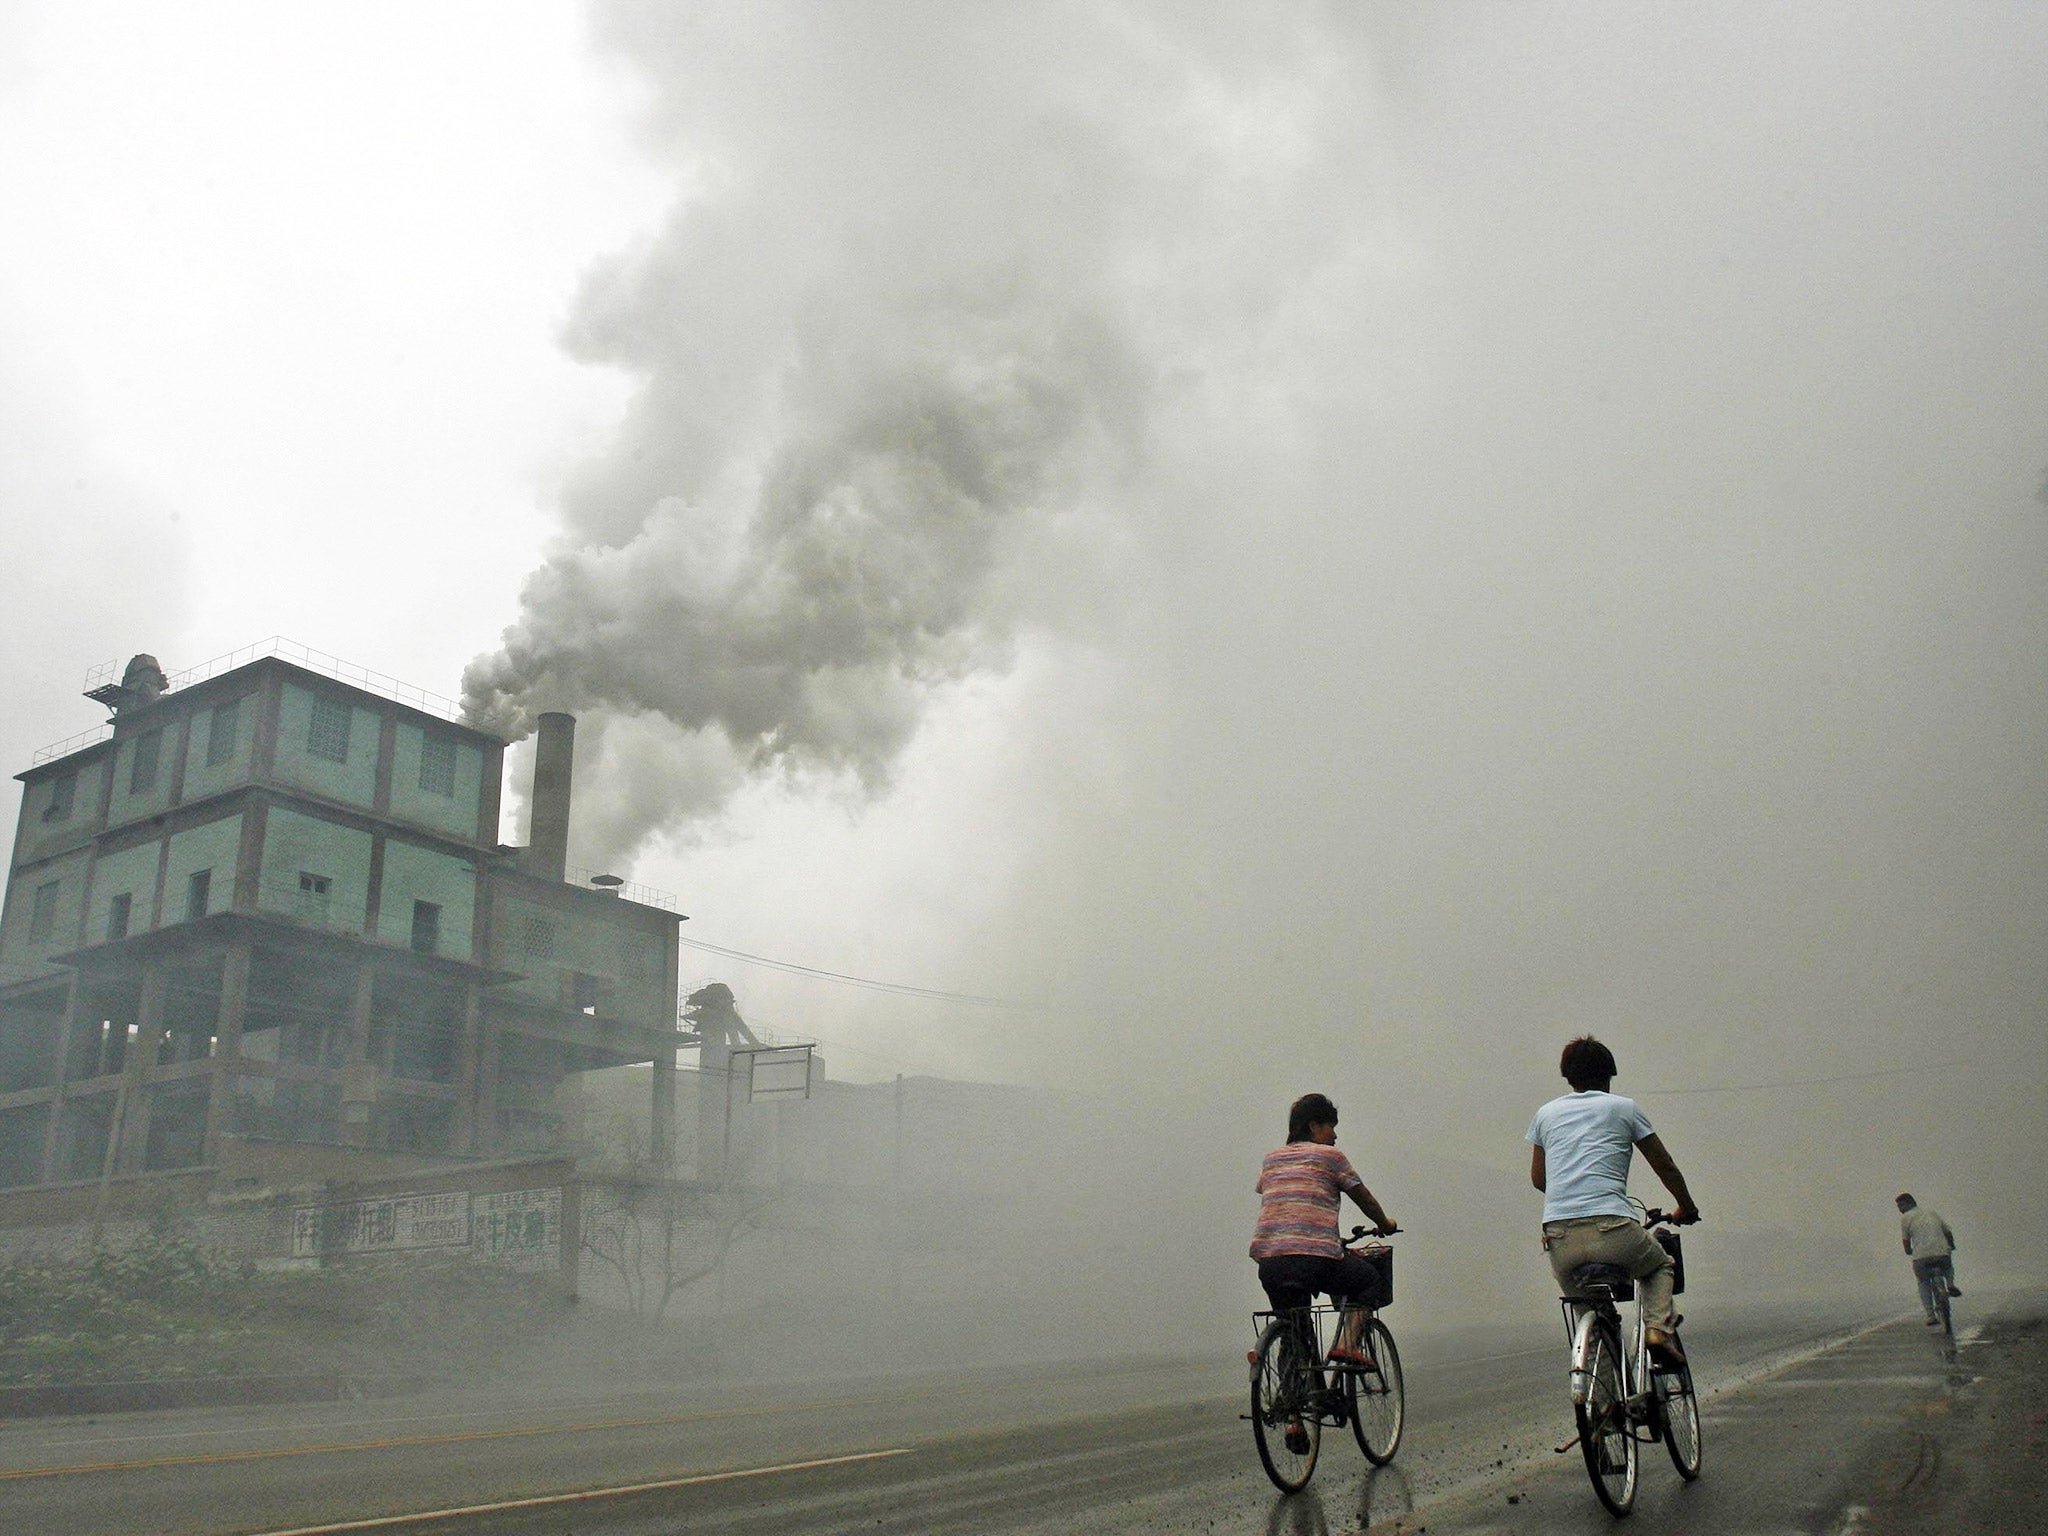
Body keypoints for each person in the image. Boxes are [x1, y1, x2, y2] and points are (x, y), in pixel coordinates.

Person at [1528, 1036, 1698, 1364]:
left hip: (1559, 1236)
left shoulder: (1545, 1114)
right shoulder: (1624, 1108)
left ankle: (1603, 1407)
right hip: (1613, 1227)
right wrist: (1686, 1207)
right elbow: (1665, 1166)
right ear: (1609, 1076)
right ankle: (1657, 1330)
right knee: (1661, 1264)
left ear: (1568, 1077)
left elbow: (1539, 1180)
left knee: (1590, 1317)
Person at [1251, 1092, 1398, 1391]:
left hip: (1270, 1264)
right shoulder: (1331, 1158)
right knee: (1369, 1281)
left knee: (1294, 1331)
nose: (1335, 1134)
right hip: (1316, 1259)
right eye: (1331, 1126)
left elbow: (1267, 1190)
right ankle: (1347, 1346)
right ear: (1313, 1125)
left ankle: (1293, 1418)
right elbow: (1363, 1197)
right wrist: (1385, 1224)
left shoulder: (1272, 1160)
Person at [1895, 1193, 1962, 1325]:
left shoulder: (1906, 1218)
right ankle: (1950, 1284)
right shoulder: (1932, 1212)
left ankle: (1930, 1315)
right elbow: (1947, 1232)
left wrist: (1909, 1251)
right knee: (1948, 1266)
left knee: (1923, 1281)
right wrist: (1951, 1245)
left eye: (1900, 1205)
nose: (1899, 1209)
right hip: (1941, 1253)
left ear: (1909, 1203)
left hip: (1921, 1257)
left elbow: (1906, 1241)